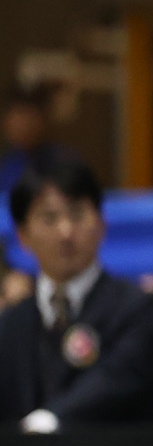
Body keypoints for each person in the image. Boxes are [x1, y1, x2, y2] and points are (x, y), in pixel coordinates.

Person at [0, 153, 153, 431]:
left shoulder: (145, 308)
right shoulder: (10, 325)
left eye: (77, 214)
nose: (65, 231)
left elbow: (119, 378)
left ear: (101, 224)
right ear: (23, 236)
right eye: (49, 218)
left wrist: (48, 421)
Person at [0, 84, 62, 303]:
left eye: (27, 115)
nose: (21, 123)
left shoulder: (62, 165)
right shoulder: (6, 168)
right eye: (15, 115)